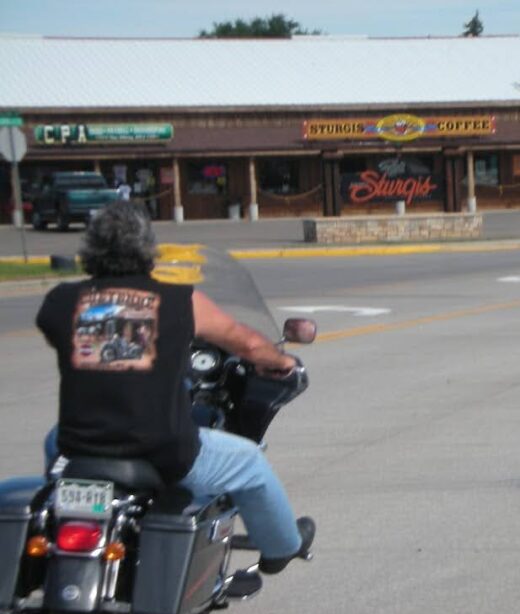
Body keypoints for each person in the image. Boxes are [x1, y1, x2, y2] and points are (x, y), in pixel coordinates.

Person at [36, 201, 314, 574]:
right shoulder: (178, 300)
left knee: (51, 442)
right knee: (249, 462)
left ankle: (63, 516)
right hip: (161, 448)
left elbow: (74, 348)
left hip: (79, 444)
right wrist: (282, 362)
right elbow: (245, 343)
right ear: (148, 248)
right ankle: (280, 547)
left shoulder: (60, 301)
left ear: (90, 250)